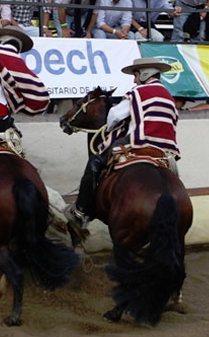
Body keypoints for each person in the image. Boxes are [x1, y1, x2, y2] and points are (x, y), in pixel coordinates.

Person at [64, 58, 180, 232]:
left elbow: (115, 115)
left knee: (95, 162)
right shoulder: (169, 97)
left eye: (136, 75)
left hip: (138, 139)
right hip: (166, 148)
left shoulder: (138, 92)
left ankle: (80, 211)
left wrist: (110, 128)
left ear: (144, 74)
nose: (134, 80)